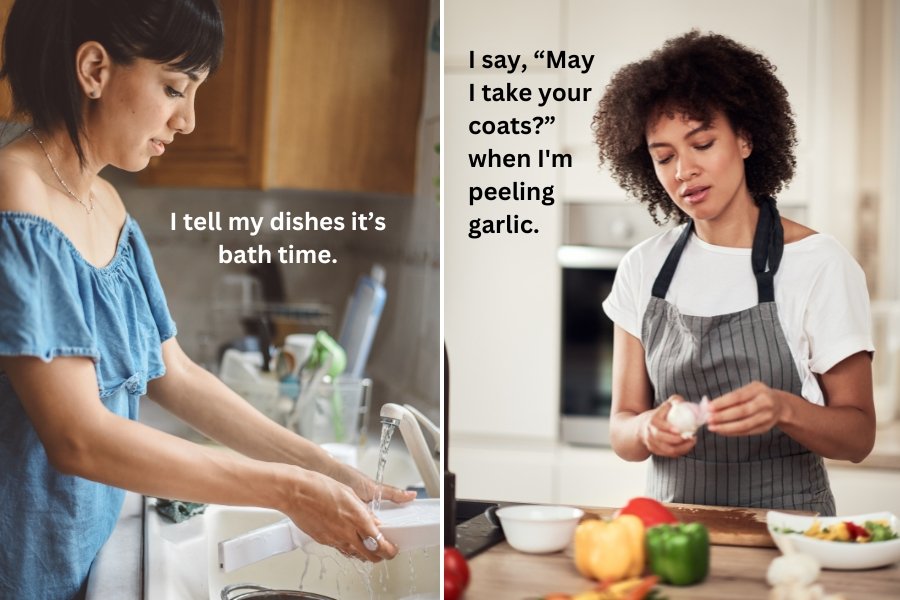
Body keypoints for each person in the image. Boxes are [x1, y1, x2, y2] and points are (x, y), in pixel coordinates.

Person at [0, 1, 414, 598]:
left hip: (72, 564)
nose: (189, 120)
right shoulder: (17, 196)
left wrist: (319, 466)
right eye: (174, 88)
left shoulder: (107, 205)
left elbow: (177, 374)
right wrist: (287, 490)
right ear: (93, 69)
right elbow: (77, 437)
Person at [593, 31, 875, 515]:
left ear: (745, 138)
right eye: (664, 157)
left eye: (702, 143)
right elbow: (623, 426)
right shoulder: (643, 267)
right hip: (672, 530)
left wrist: (785, 408)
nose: (683, 170)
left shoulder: (819, 264)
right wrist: (645, 429)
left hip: (788, 537)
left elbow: (858, 436)